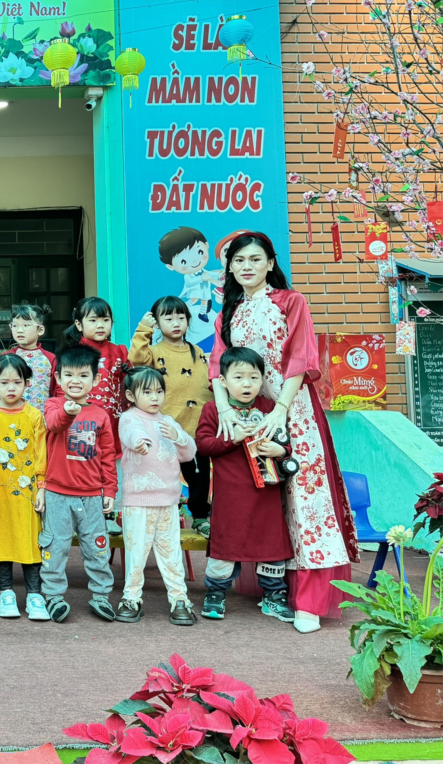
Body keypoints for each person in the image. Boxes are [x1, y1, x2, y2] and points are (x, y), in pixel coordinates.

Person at [209, 231, 358, 634]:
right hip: (250, 413)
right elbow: (218, 366)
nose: (247, 267)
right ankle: (276, 590)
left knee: (306, 500)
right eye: (239, 261)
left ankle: (309, 601)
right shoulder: (228, 313)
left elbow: (301, 357)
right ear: (230, 268)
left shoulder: (291, 302)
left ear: (270, 264)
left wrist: (281, 410)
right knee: (264, 497)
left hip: (295, 412)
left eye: (255, 259)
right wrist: (226, 409)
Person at [196, 346, 295, 624]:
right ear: (223, 380)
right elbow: (203, 445)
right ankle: (216, 593)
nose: (247, 384)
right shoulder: (214, 410)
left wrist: (281, 451)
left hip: (266, 494)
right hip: (230, 497)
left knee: (271, 543)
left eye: (254, 377)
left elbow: (287, 442)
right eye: (238, 377)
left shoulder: (269, 409)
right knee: (226, 545)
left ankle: (274, 595)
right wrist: (233, 438)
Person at [41, 344, 119, 623]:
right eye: (69, 375)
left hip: (92, 495)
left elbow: (108, 455)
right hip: (57, 493)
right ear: (58, 378)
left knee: (97, 546)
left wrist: (110, 490)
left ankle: (101, 595)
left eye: (83, 375)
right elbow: (55, 424)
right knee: (55, 547)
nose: (76, 381)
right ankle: (53, 596)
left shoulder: (100, 415)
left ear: (95, 379)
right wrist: (68, 411)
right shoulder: (53, 405)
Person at [115, 366, 197, 626]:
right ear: (131, 395)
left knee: (170, 552)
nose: (155, 397)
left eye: (159, 391)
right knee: (136, 553)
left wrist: (179, 436)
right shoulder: (129, 418)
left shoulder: (168, 421)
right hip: (138, 501)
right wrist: (140, 442)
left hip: (168, 501)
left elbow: (189, 453)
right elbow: (132, 434)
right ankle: (131, 598)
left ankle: (179, 598)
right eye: (147, 392)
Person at [130, 296, 214, 534]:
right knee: (165, 475)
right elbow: (136, 358)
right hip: (165, 429)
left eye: (181, 317)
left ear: (188, 320)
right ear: (157, 323)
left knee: (199, 476)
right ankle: (166, 514)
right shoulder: (153, 352)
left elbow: (205, 385)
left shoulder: (197, 351)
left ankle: (200, 517)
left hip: (196, 428)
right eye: (168, 319)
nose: (176, 323)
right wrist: (144, 329)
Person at [0, 354, 49, 621]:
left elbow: (41, 453)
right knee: (1, 538)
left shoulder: (34, 416)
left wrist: (42, 486)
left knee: (31, 538)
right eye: (4, 382)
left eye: (17, 382)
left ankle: (34, 594)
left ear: (27, 384)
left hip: (28, 491)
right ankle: (6, 593)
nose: (11, 388)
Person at [63, 297, 128, 440]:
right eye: (93, 320)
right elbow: (61, 391)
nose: (100, 325)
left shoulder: (120, 352)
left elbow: (128, 387)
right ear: (79, 324)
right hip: (82, 419)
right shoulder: (72, 355)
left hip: (114, 420)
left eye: (106, 320)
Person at [7, 303, 56, 413]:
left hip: (42, 416)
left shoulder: (50, 358)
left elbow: (56, 389)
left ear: (40, 330)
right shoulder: (6, 357)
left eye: (26, 325)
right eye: (15, 326)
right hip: (12, 415)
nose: (19, 330)